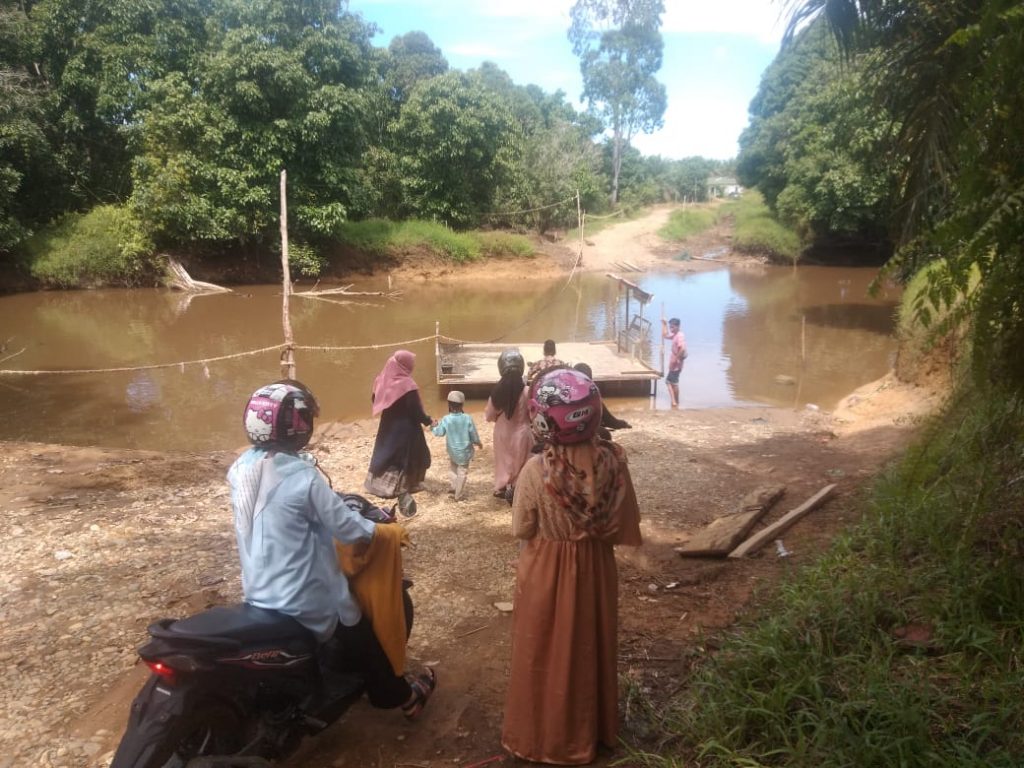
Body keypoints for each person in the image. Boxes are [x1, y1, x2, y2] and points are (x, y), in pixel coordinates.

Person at [227, 380, 436, 719]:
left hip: (258, 590)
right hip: (302, 596)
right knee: (359, 627)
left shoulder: (241, 469)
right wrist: (387, 532)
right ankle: (398, 696)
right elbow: (348, 528)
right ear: (299, 427)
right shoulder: (303, 480)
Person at [501, 368, 642, 765]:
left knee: (542, 650)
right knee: (589, 645)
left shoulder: (535, 471)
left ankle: (543, 738)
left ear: (544, 421)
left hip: (546, 568)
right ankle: (592, 731)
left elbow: (522, 528)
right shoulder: (613, 463)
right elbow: (622, 524)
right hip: (596, 566)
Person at [365, 350, 432, 517]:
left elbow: (375, 399)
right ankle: (404, 486)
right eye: (411, 364)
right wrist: (428, 421)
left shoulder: (381, 379)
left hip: (388, 425)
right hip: (406, 427)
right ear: (403, 365)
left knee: (386, 452)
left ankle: (378, 484)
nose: (413, 367)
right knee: (411, 454)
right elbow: (416, 410)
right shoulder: (407, 385)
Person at [485, 348, 534, 504]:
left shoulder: (497, 392)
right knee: (522, 462)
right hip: (523, 432)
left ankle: (502, 487)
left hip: (502, 433)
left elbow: (489, 415)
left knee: (504, 461)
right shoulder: (527, 391)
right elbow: (533, 414)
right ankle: (517, 488)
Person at [430, 390, 482, 501]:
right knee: (462, 471)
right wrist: (478, 442)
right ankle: (458, 495)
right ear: (462, 404)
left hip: (452, 451)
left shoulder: (446, 419)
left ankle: (454, 487)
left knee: (453, 468)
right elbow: (473, 434)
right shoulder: (467, 418)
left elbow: (439, 432)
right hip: (464, 452)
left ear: (449, 404)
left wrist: (433, 427)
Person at [572, 362, 632, 440]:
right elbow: (609, 421)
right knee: (605, 434)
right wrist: (623, 424)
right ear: (590, 378)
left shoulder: (564, 393)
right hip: (582, 432)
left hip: (564, 432)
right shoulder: (592, 396)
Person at [661, 317, 688, 408]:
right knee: (672, 382)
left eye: (673, 327)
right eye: (670, 327)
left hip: (677, 363)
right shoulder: (675, 334)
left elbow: (683, 348)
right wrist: (664, 324)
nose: (671, 329)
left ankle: (674, 401)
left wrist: (676, 359)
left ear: (678, 326)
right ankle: (675, 401)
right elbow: (664, 335)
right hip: (675, 363)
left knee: (670, 382)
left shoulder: (680, 335)